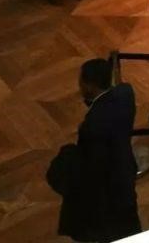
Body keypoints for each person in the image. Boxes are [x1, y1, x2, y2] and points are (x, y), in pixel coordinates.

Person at [48, 59, 140, 242]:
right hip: (126, 175)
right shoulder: (125, 95)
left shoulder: (93, 126)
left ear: (89, 85)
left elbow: (94, 166)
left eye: (81, 81)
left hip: (110, 189)